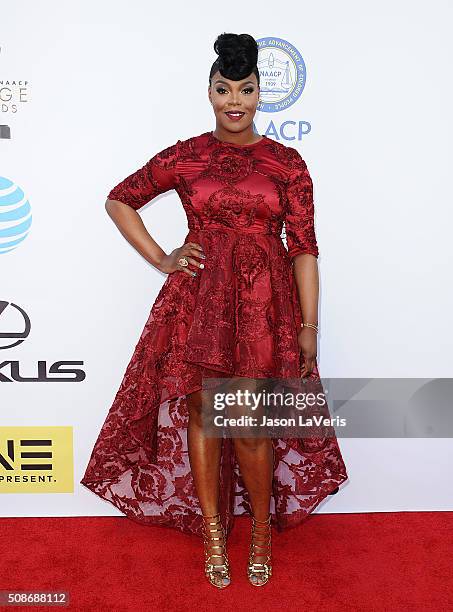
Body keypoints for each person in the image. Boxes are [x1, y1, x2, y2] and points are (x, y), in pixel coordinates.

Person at [80, 32, 348, 589]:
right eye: (224, 88)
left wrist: (307, 324)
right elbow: (119, 198)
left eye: (246, 89)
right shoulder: (188, 155)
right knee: (203, 417)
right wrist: (162, 257)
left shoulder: (286, 163)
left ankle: (261, 534)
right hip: (198, 302)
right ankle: (212, 533)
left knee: (249, 424)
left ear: (258, 95)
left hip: (263, 307)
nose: (235, 100)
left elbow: (303, 249)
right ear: (208, 92)